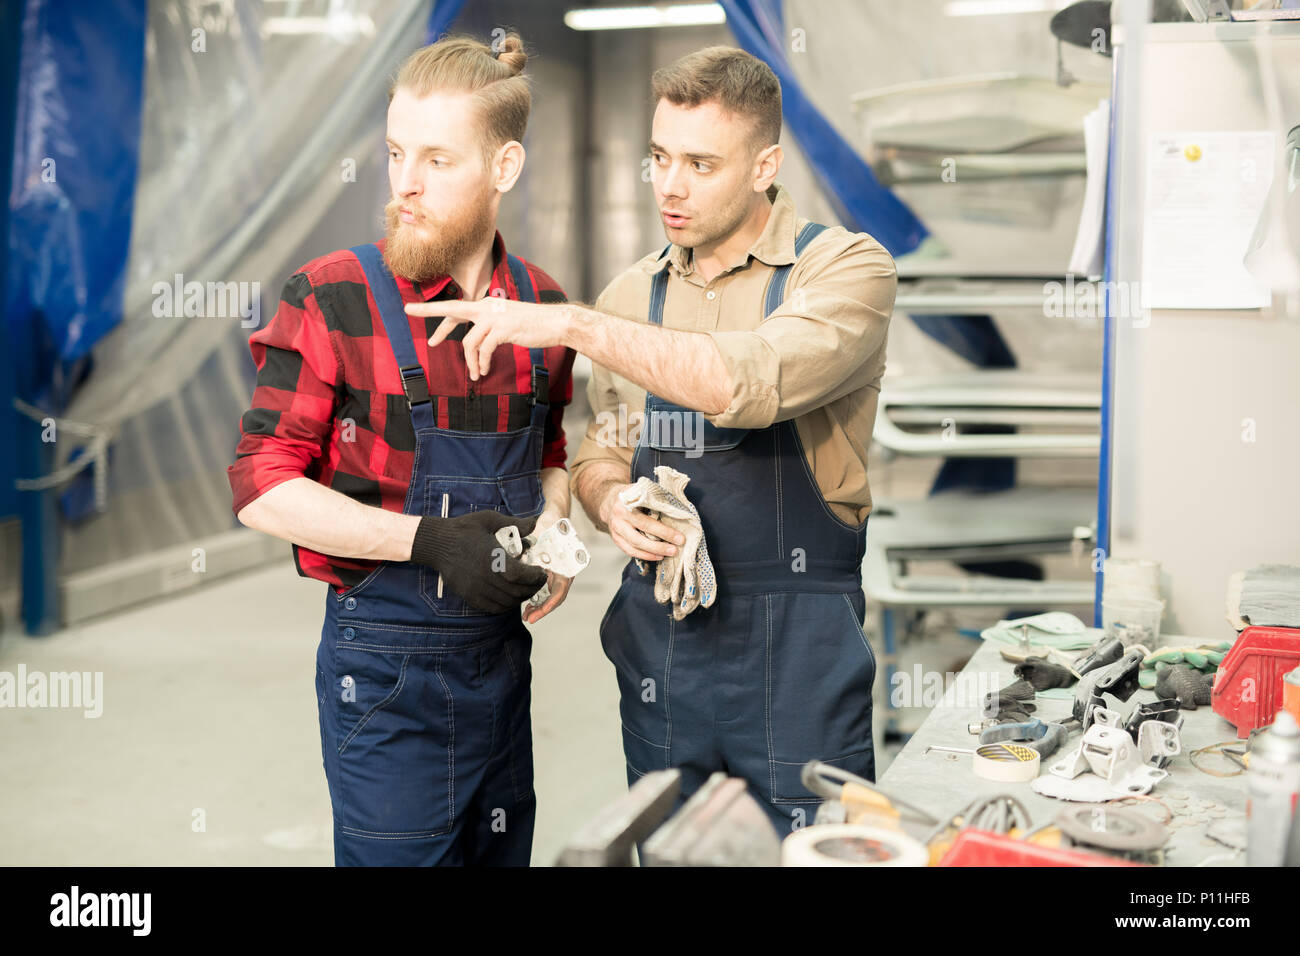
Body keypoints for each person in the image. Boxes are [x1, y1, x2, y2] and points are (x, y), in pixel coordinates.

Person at [406, 46, 897, 834]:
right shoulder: (634, 292)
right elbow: (605, 440)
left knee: (819, 850)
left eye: (701, 163)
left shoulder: (841, 270)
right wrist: (608, 499)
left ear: (765, 164)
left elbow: (748, 384)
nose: (670, 185)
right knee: (672, 846)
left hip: (798, 648)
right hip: (664, 646)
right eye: (661, 157)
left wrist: (571, 323)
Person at [227, 32, 576, 866]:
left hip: (499, 664)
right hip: (382, 673)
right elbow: (260, 485)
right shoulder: (333, 295)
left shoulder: (542, 306)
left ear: (504, 168)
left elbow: (551, 446)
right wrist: (426, 541)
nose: (405, 185)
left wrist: (557, 529)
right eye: (394, 153)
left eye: (436, 160)